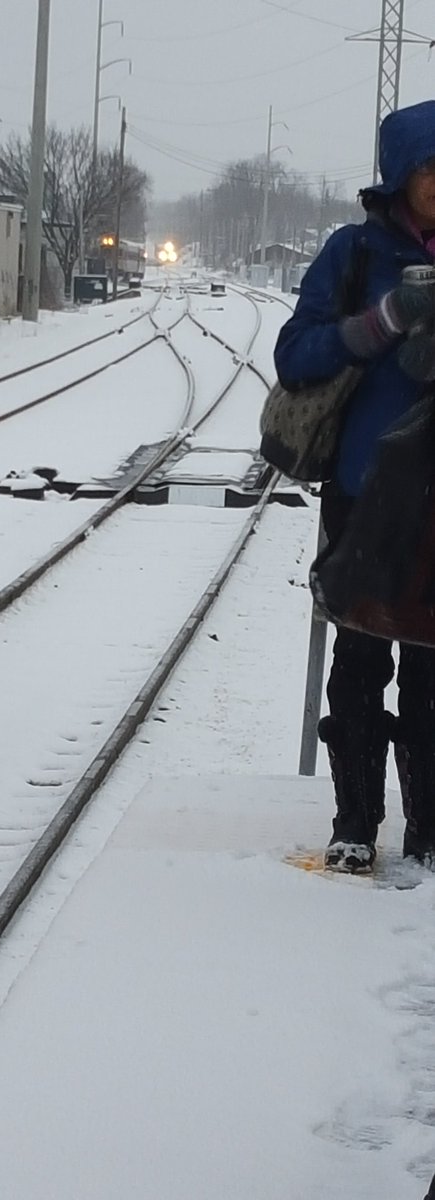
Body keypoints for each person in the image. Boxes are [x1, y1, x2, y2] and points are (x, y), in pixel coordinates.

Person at [274, 100, 435, 873]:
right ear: (400, 173)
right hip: (366, 490)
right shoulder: (354, 253)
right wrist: (386, 319)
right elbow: (296, 354)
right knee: (362, 660)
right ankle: (354, 825)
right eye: (430, 168)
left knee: (434, 672)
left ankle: (429, 830)